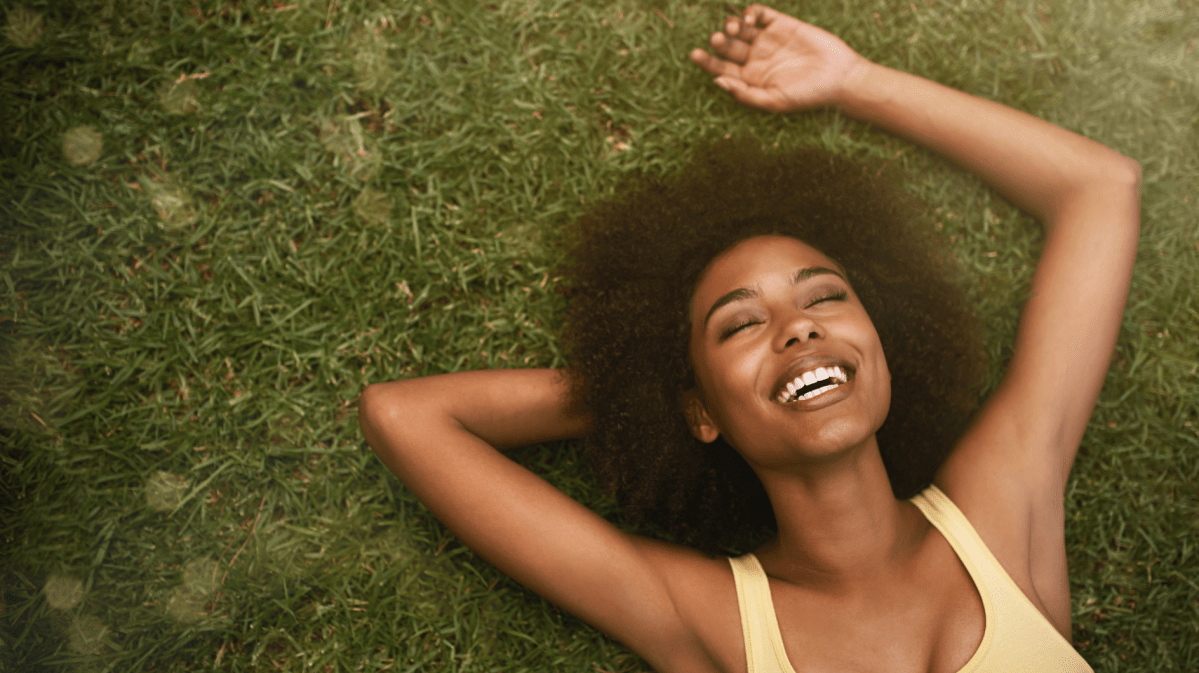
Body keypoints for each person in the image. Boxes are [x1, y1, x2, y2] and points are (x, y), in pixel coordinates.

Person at [358, 5, 1140, 671]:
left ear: (882, 341)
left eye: (825, 297)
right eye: (739, 324)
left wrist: (854, 83)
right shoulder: (710, 620)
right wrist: (648, 394)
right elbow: (406, 417)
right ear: (699, 411)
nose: (797, 325)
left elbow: (1098, 189)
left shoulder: (1003, 511)